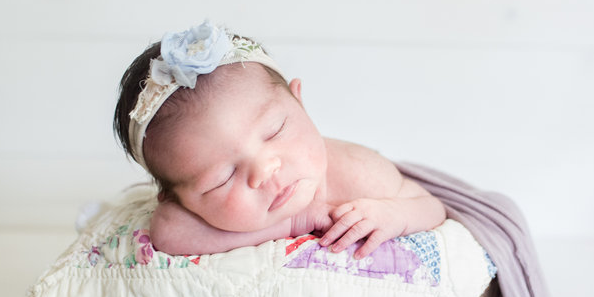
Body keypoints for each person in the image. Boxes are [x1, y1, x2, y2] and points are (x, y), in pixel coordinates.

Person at [113, 21, 446, 259]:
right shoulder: (180, 215)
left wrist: (391, 214)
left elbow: (430, 206)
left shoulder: (359, 172)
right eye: (222, 178)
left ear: (298, 101)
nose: (265, 170)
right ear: (175, 198)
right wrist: (294, 222)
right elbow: (168, 233)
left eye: (275, 130)